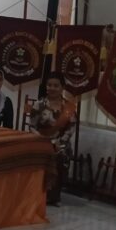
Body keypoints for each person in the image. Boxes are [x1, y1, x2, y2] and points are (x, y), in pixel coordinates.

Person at [28, 71, 78, 205]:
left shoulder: (68, 107)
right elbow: (32, 126)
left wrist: (58, 142)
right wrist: (42, 140)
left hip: (60, 143)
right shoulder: (39, 105)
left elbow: (71, 129)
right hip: (41, 141)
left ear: (62, 87)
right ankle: (38, 193)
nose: (52, 88)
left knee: (61, 154)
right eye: (49, 85)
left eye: (56, 85)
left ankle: (54, 196)